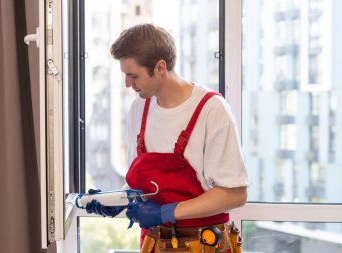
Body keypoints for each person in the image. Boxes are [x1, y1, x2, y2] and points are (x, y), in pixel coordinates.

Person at [85, 23, 249, 253]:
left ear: (160, 67)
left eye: (133, 76)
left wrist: (167, 212)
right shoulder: (139, 107)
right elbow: (146, 186)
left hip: (204, 245)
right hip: (154, 244)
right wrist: (117, 200)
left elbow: (235, 194)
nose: (127, 84)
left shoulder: (211, 109)